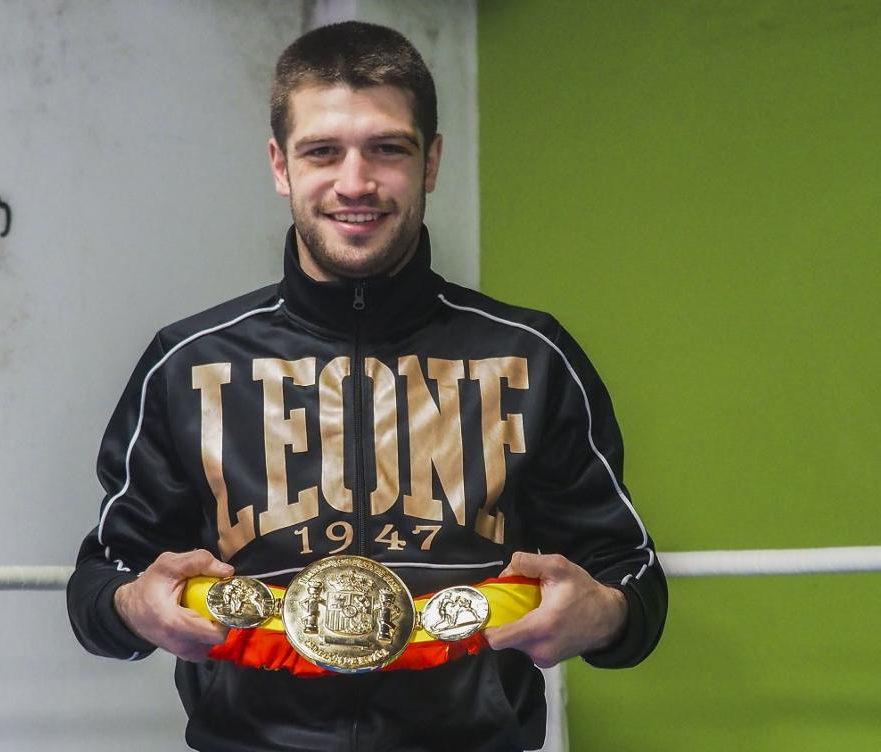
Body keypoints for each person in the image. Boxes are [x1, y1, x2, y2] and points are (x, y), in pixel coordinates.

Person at [67, 21, 667, 751]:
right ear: (280, 166)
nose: (355, 183)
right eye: (323, 151)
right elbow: (101, 583)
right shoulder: (187, 362)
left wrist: (601, 613)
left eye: (388, 149)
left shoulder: (531, 356)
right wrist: (135, 604)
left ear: (432, 162)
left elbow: (633, 580)